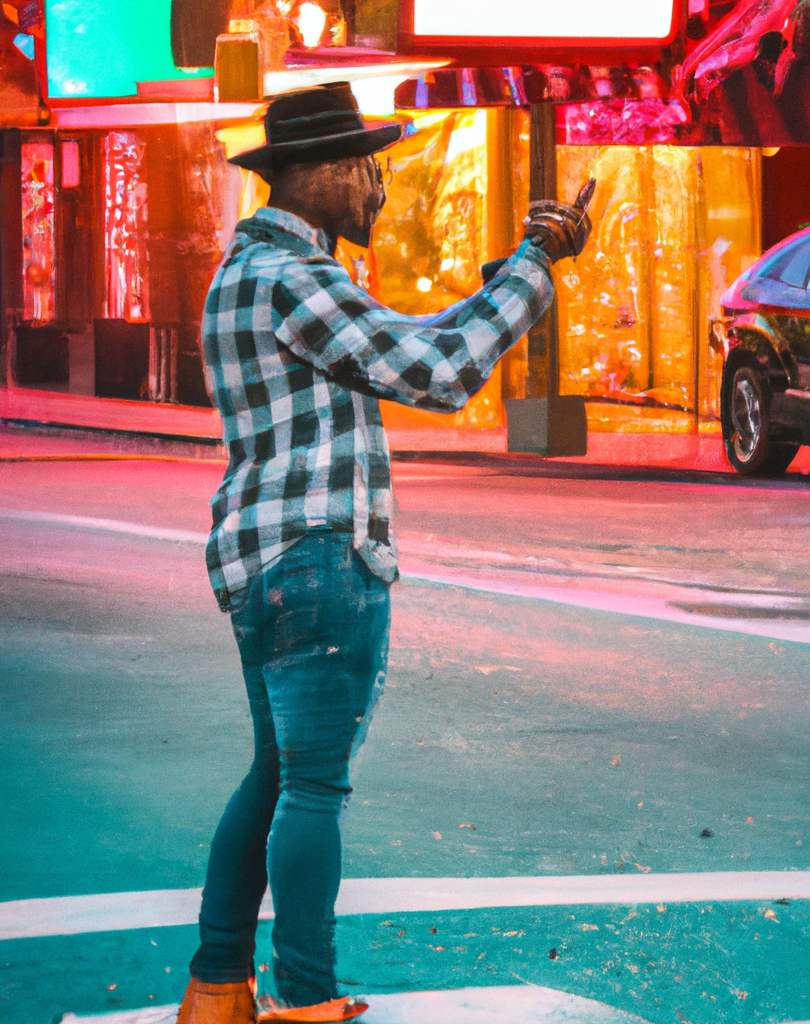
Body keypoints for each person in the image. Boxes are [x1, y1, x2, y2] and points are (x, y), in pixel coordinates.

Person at [177, 83, 591, 1024]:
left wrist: (512, 269)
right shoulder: (296, 277)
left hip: (260, 559)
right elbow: (439, 372)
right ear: (315, 172)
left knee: (275, 776)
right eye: (367, 168)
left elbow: (407, 342)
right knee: (313, 787)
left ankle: (217, 987)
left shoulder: (248, 272)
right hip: (319, 557)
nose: (380, 188)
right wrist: (534, 268)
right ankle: (307, 998)